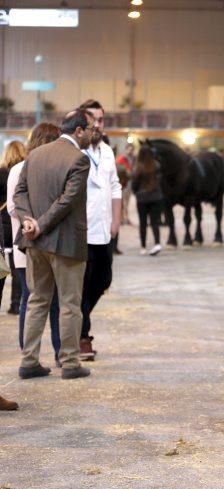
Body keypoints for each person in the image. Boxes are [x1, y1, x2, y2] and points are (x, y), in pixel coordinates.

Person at [13, 109, 96, 380]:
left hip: (35, 243)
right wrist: (40, 224)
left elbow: (19, 193)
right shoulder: (79, 160)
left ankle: (29, 361)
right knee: (70, 303)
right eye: (91, 128)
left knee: (37, 301)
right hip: (66, 244)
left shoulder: (35, 154)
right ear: (79, 130)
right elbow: (66, 201)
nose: (93, 133)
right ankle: (70, 363)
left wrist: (29, 222)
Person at [6, 123, 63, 366]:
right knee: (28, 299)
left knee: (57, 302)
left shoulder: (57, 167)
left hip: (52, 245)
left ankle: (61, 352)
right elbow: (11, 206)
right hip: (25, 246)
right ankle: (28, 354)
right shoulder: (19, 169)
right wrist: (36, 223)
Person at [76, 100, 122, 361]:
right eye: (92, 118)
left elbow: (115, 186)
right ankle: (83, 337)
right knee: (80, 287)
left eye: (101, 119)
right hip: (80, 231)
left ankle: (80, 320)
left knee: (104, 280)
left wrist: (116, 220)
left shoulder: (106, 150)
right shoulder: (74, 151)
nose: (97, 123)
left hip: (103, 230)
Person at [1, 141, 25, 315]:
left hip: (1, 226)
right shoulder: (24, 172)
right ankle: (16, 303)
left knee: (1, 266)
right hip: (17, 223)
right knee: (18, 266)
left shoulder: (1, 172)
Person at [131, 143, 163, 256]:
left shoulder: (138, 167)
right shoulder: (157, 165)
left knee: (143, 223)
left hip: (142, 199)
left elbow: (134, 184)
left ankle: (143, 247)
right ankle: (157, 243)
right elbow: (160, 181)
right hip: (156, 198)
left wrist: (136, 193)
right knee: (155, 222)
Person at [115, 142, 135, 225]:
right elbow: (118, 169)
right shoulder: (121, 158)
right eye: (129, 149)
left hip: (130, 182)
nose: (130, 151)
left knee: (127, 201)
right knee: (122, 201)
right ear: (126, 149)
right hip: (123, 182)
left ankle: (126, 217)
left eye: (132, 149)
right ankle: (122, 217)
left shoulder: (134, 158)